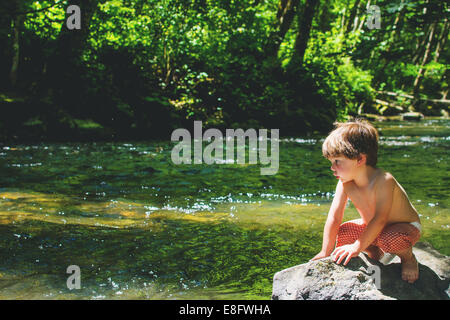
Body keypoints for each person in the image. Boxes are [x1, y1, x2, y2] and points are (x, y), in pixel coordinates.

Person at [311, 119, 422, 283]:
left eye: (337, 161)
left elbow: (380, 218)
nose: (332, 167)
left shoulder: (384, 180)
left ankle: (408, 258)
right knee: (344, 231)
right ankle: (375, 254)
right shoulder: (344, 182)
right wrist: (325, 251)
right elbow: (334, 217)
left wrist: (356, 247)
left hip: (403, 228)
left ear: (360, 159)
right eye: (331, 162)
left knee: (390, 238)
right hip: (374, 228)